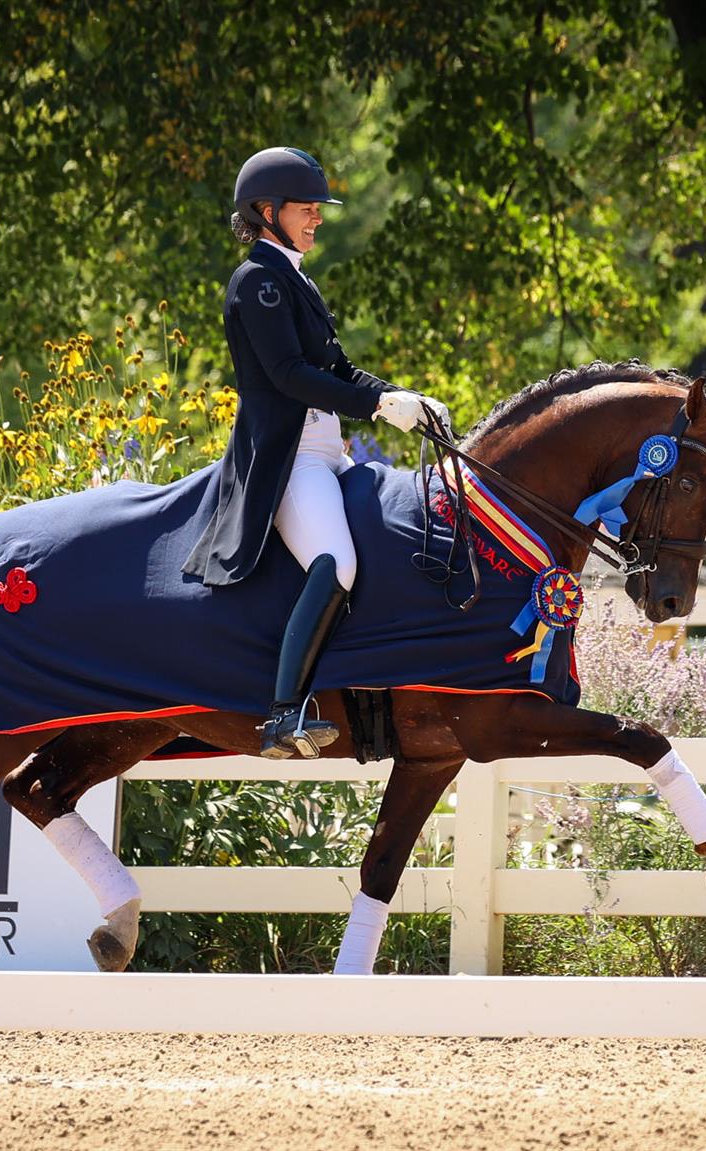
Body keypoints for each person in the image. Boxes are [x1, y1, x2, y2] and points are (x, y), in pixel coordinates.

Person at [181, 146, 449, 758]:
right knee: (340, 563)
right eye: (307, 208)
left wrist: (399, 396)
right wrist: (379, 409)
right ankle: (283, 713)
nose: (317, 218)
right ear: (267, 211)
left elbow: (339, 368)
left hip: (332, 451)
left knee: (392, 547)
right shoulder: (258, 282)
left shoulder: (295, 278)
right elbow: (291, 375)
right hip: (291, 461)